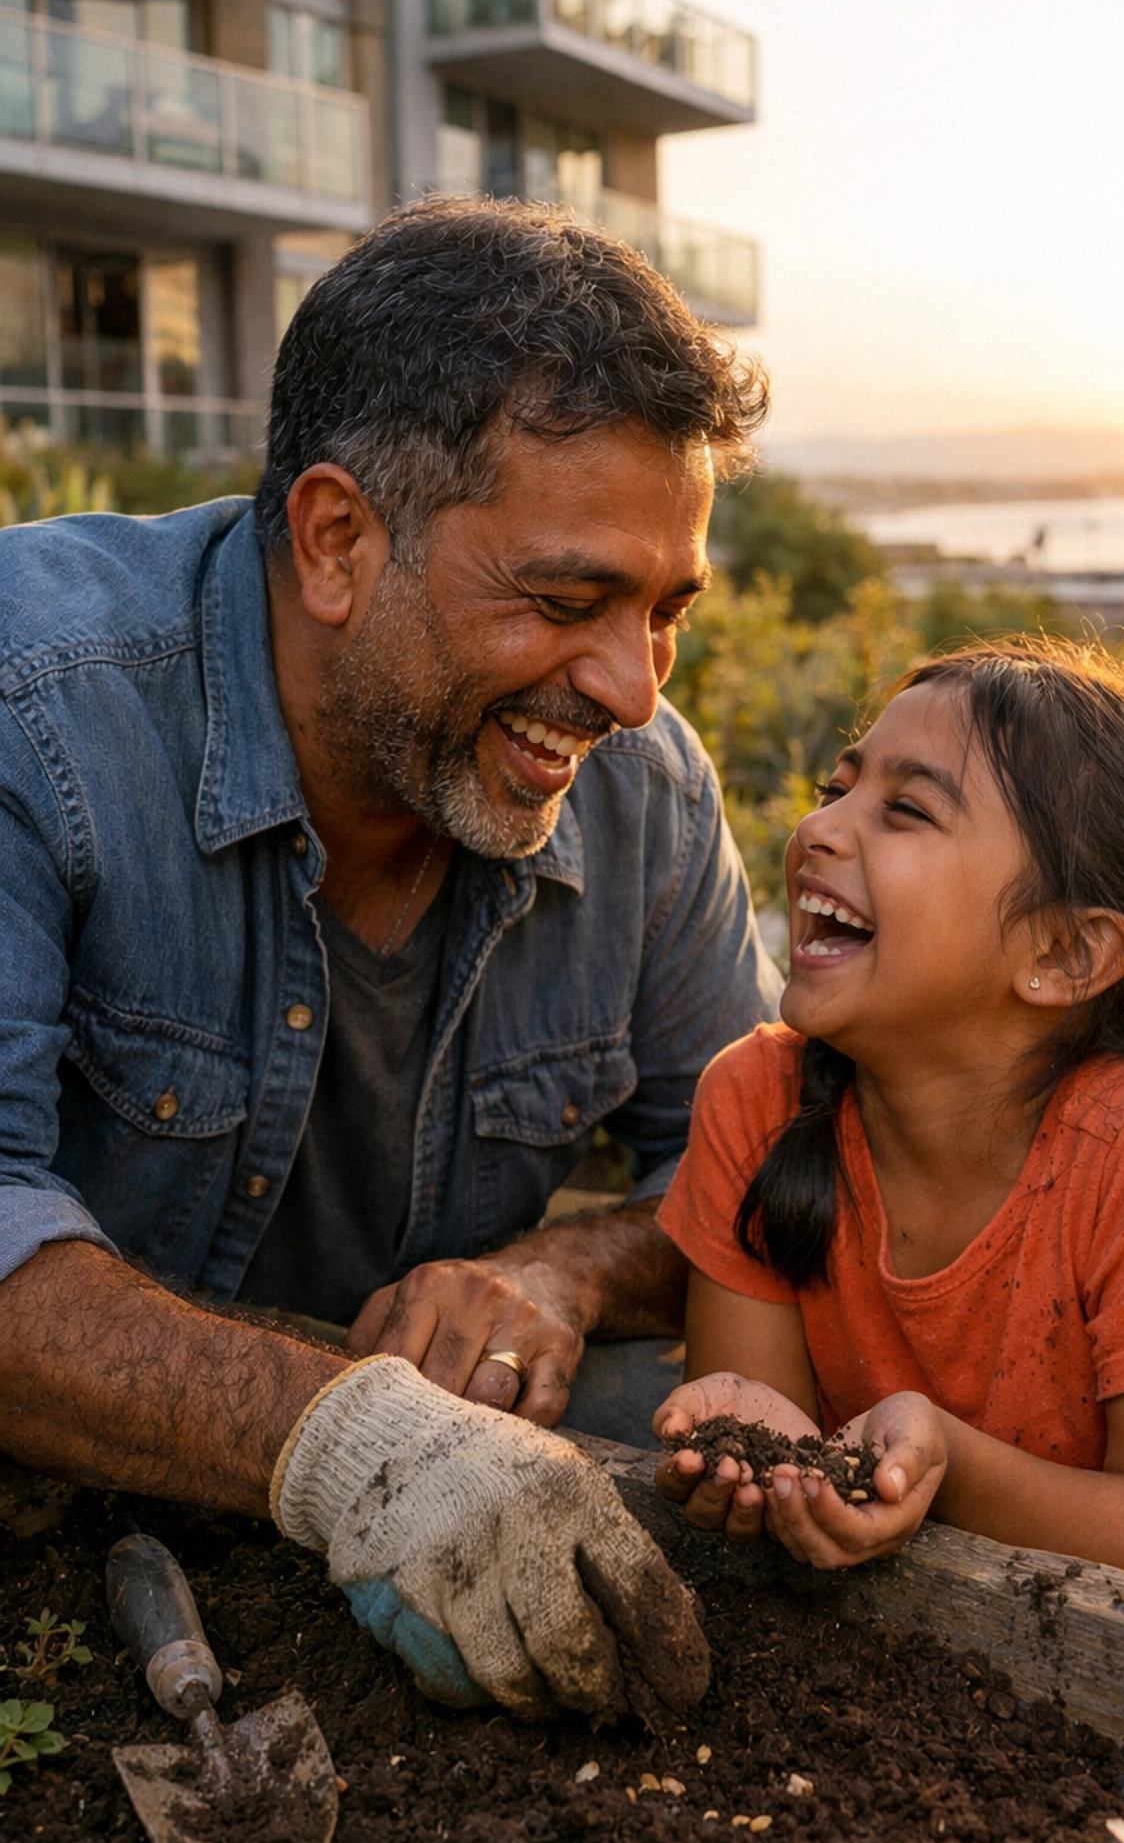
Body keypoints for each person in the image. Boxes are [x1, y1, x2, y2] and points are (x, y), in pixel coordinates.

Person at [0, 199, 784, 1718]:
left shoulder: (644, 790)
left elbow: (749, 1176)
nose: (630, 689)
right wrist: (357, 1440)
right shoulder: (37, 709)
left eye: (664, 612)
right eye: (565, 602)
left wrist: (561, 1270)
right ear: (339, 540)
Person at [654, 639, 1124, 1638]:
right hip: (946, 1599)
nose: (821, 828)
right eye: (836, 786)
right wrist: (765, 1460)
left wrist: (944, 1459)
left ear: (1064, 952)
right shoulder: (757, 1097)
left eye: (905, 809)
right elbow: (777, 1437)